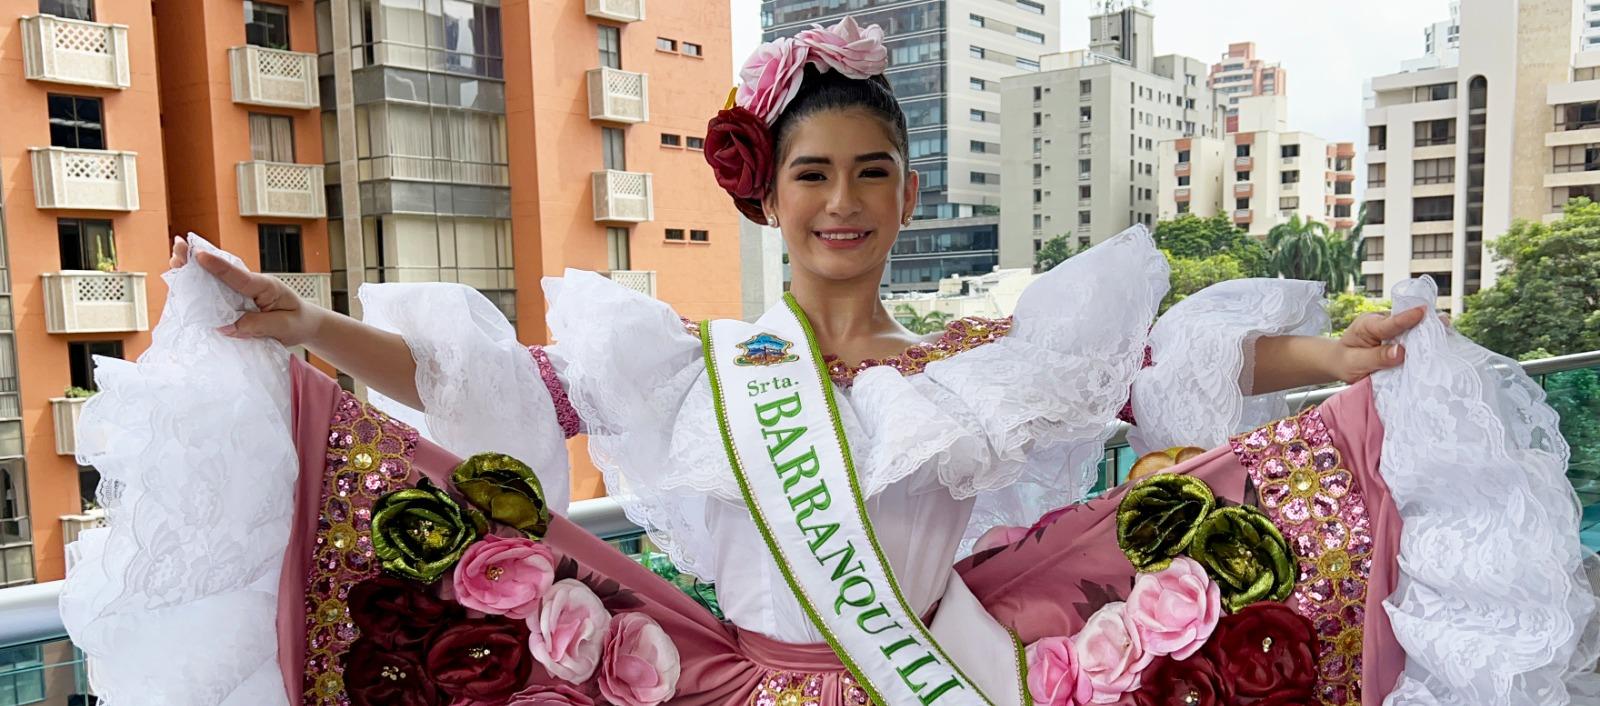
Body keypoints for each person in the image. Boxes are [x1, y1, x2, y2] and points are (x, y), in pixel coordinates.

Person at [60, 17, 1598, 706]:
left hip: (956, 672)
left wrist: (1325, 350)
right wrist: (314, 328)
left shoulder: (970, 358)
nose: (843, 203)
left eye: (872, 173)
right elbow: (511, 384)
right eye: (813, 178)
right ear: (766, 194)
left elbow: (1146, 373)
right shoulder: (695, 364)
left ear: (908, 192)